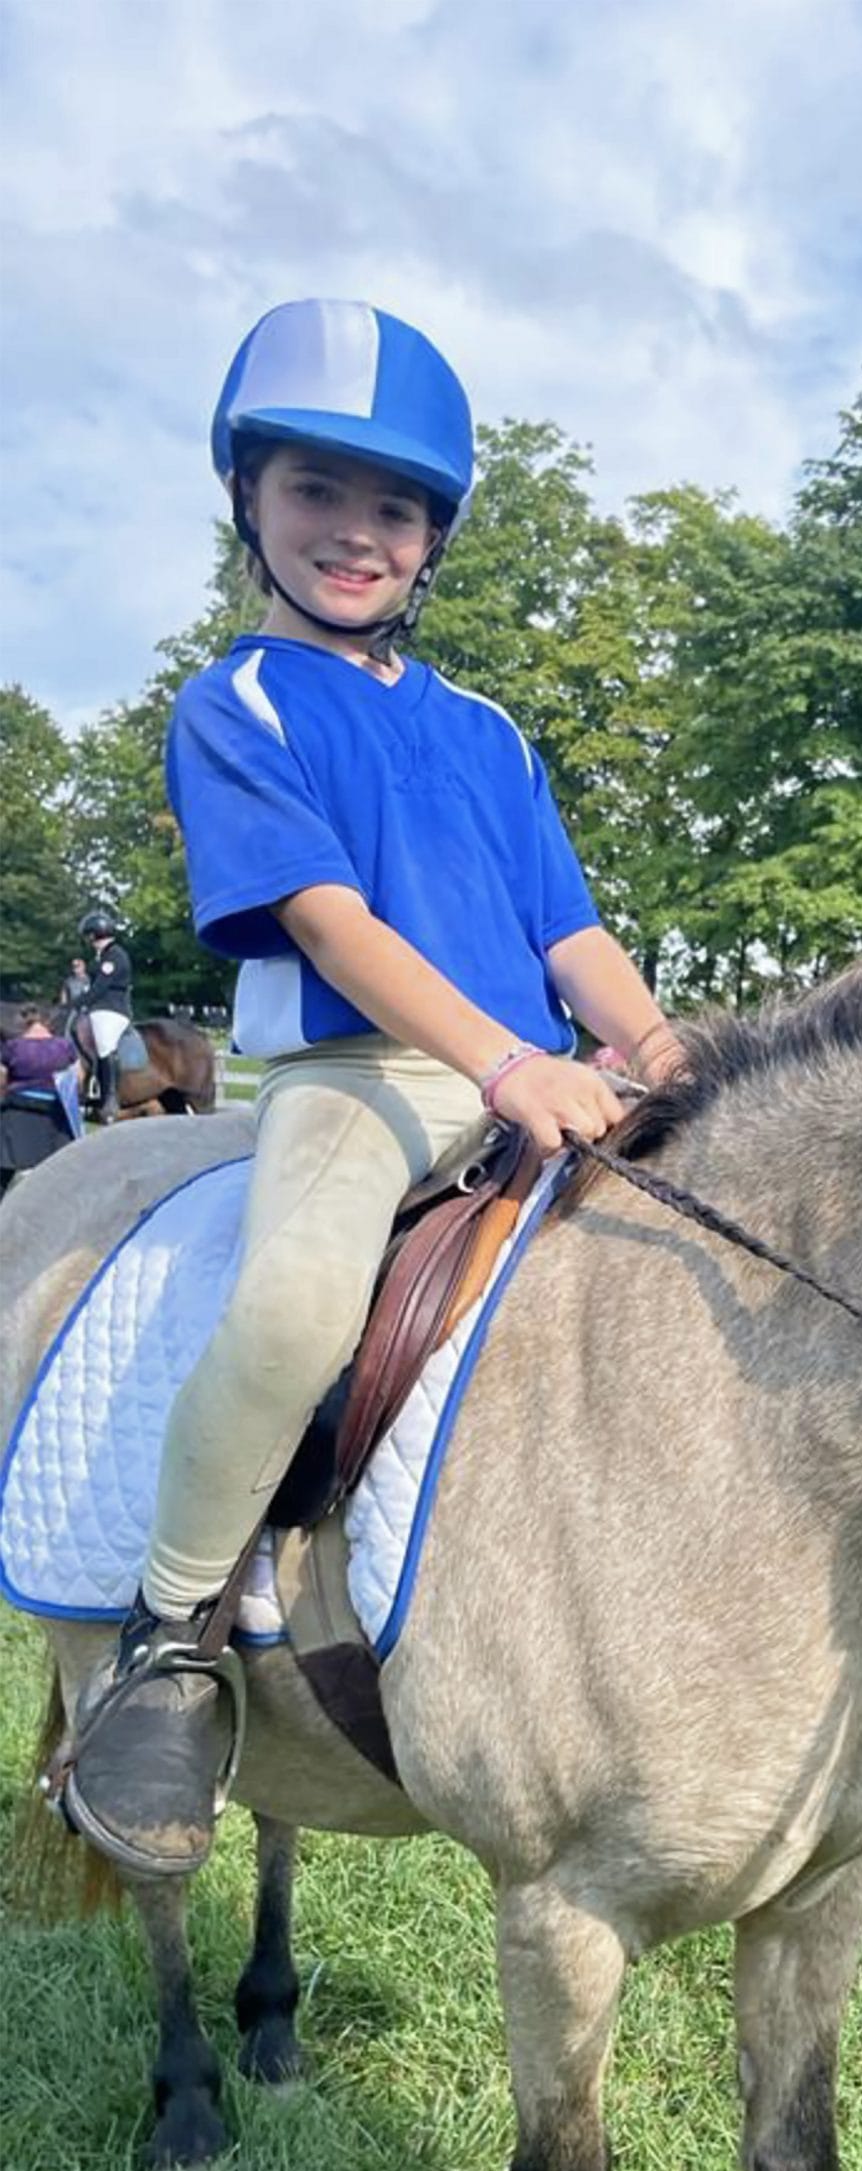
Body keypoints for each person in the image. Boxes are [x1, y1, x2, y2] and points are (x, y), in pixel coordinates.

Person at [53, 298, 690, 1881]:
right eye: (315, 492)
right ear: (247, 505)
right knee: (287, 1306)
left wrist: (670, 1054)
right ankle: (168, 1637)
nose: (355, 532)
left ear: (433, 539)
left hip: (541, 1071)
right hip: (363, 1076)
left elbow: (570, 929)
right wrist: (502, 1058)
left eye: (391, 505)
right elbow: (331, 919)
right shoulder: (240, 704)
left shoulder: (485, 733)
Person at [0, 1003, 83, 1196]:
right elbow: (77, 1080)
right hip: (55, 1118)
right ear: (48, 1022)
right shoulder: (65, 1046)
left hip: (17, 1117)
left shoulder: (13, 1048)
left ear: (23, 1023)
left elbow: (1, 1079)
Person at [79, 913, 135, 1121]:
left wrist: (76, 1003)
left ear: (96, 934)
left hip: (112, 1010)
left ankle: (110, 1098)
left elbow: (100, 987)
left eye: (89, 936)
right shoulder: (103, 955)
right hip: (101, 1007)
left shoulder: (114, 955)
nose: (88, 940)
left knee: (105, 1045)